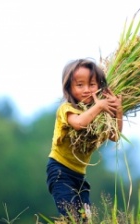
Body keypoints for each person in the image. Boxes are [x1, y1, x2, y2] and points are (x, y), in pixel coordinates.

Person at [46, 58, 123, 219]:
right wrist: (100, 106)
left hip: (80, 177)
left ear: (100, 86)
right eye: (80, 85)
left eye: (92, 84)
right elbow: (79, 123)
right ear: (69, 87)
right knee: (71, 217)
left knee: (84, 219)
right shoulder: (66, 109)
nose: (86, 90)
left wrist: (119, 110)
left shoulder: (99, 117)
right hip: (60, 171)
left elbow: (115, 135)